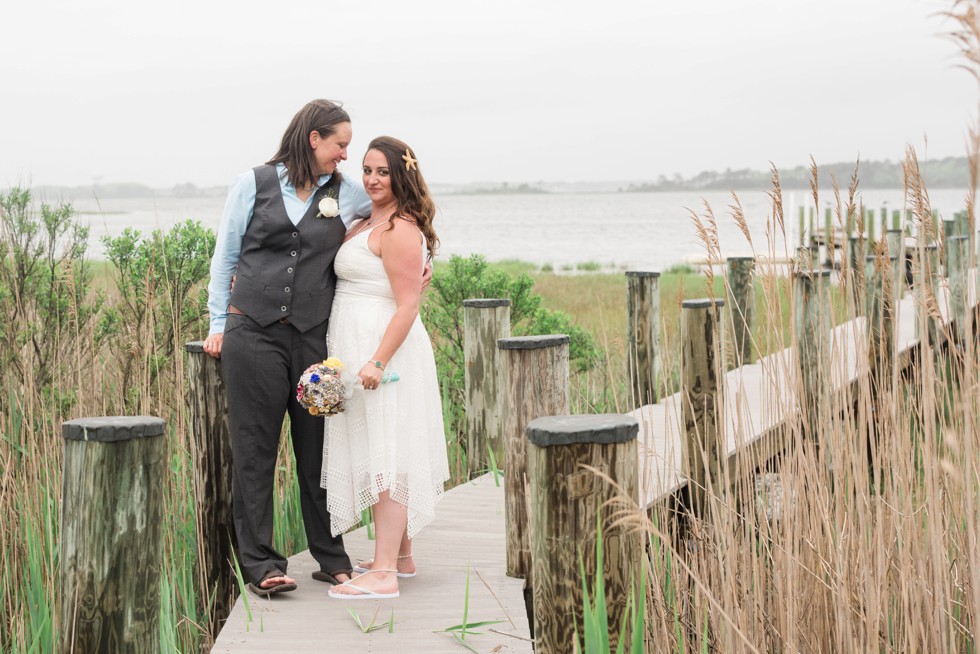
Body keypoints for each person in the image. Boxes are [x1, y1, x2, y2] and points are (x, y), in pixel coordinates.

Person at [203, 99, 370, 595]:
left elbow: (395, 213)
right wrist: (219, 323)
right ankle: (261, 564)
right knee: (255, 451)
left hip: (314, 339)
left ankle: (330, 556)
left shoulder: (348, 193)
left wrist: (419, 255)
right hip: (252, 334)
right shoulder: (252, 184)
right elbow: (226, 256)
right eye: (340, 144)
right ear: (314, 138)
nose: (345, 154)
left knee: (319, 449)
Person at [322, 136, 450, 600]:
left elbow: (408, 304)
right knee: (384, 445)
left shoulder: (399, 228)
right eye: (368, 170)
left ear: (402, 175)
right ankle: (400, 557)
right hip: (358, 344)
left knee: (388, 453)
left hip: (385, 350)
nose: (373, 179)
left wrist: (377, 359)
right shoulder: (365, 219)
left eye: (383, 172)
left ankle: (382, 575)